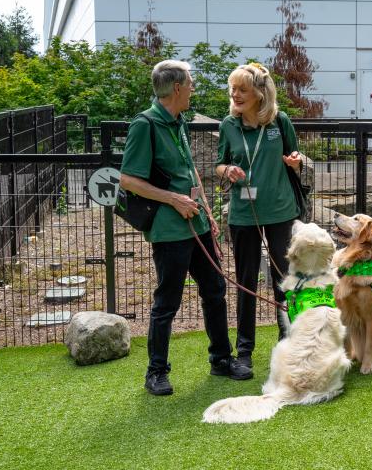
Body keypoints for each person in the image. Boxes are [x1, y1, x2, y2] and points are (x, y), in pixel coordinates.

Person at [120, 60, 252, 396]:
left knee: (215, 292)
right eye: (191, 83)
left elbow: (187, 169)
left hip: (197, 224)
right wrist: (174, 200)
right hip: (169, 230)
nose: (193, 88)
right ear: (176, 87)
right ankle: (156, 372)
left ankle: (221, 359)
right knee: (167, 302)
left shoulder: (178, 122)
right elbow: (128, 180)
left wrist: (205, 207)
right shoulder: (145, 125)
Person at [215, 62, 302, 377]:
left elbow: (298, 158)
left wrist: (296, 162)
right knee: (246, 281)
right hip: (243, 213)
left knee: (284, 280)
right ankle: (245, 352)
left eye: (242, 90)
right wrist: (228, 171)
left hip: (281, 211)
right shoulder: (228, 125)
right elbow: (218, 165)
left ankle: (288, 344)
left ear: (259, 94)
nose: (235, 95)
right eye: (233, 89)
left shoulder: (281, 122)